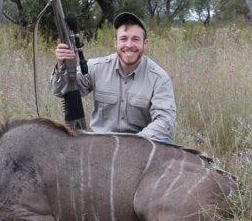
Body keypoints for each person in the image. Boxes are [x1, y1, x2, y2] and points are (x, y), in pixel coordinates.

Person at [50, 12, 176, 142]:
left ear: (145, 43)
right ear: (115, 42)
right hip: (102, 145)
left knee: (165, 143)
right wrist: (62, 65)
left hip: (141, 146)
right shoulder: (96, 67)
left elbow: (165, 122)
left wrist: (134, 144)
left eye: (135, 39)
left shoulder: (159, 78)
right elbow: (60, 90)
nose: (129, 45)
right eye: (123, 39)